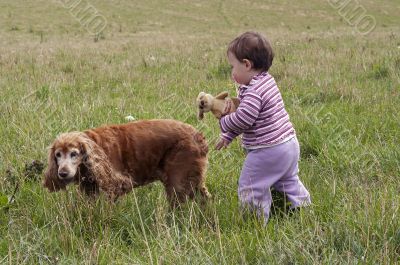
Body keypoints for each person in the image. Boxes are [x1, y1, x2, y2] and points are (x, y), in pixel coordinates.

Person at [216, 31, 311, 222]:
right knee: (288, 180)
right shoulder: (267, 81)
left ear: (247, 64)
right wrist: (229, 135)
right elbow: (252, 118)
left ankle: (255, 222)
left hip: (268, 149)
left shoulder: (254, 92)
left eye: (232, 66)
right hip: (289, 144)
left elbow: (244, 119)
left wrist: (223, 121)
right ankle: (302, 209)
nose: (231, 72)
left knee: (251, 185)